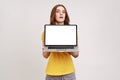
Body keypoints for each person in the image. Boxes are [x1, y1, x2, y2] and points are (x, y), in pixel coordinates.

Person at [41, 4, 79, 80]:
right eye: (58, 11)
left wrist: (67, 45)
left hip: (68, 72)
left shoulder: (71, 32)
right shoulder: (46, 33)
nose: (61, 13)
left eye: (63, 12)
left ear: (65, 15)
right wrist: (49, 44)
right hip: (52, 72)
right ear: (54, 15)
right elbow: (45, 55)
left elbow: (76, 54)